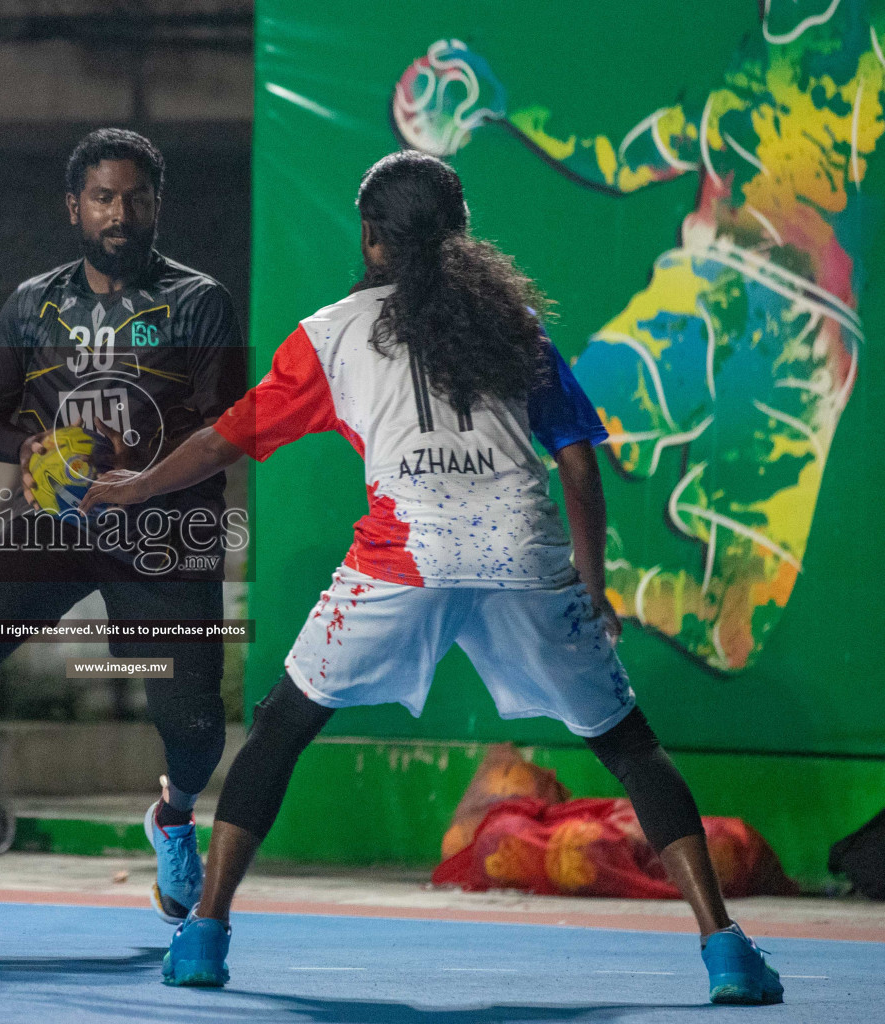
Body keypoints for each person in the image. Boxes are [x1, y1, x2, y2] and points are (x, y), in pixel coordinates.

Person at [83, 151, 783, 1006]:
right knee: (629, 747)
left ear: (373, 239)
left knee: (281, 729)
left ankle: (205, 935)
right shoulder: (514, 325)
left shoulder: (332, 332)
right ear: (458, 235)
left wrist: (135, 484)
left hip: (402, 562)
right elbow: (578, 464)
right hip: (526, 560)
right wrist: (593, 586)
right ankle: (726, 951)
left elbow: (224, 440)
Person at [0, 128, 247, 923]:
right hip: (56, 528)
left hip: (161, 536)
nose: (121, 212)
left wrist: (140, 483)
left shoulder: (198, 301)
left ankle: (174, 821)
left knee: (193, 718)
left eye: (137, 197)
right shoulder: (34, 304)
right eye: (104, 197)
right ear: (75, 206)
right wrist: (30, 445)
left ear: (157, 206)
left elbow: (225, 436)